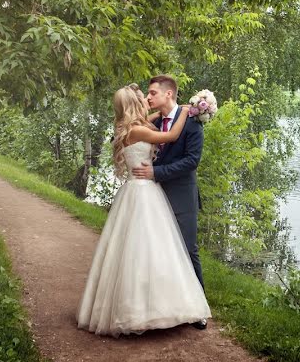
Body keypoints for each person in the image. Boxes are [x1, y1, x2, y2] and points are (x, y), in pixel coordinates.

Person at [76, 86, 210, 337]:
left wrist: (174, 109)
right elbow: (170, 137)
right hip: (143, 191)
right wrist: (185, 111)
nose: (146, 99)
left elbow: (155, 119)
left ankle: (159, 304)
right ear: (132, 104)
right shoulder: (136, 130)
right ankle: (140, 311)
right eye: (141, 98)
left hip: (140, 190)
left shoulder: (131, 126)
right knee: (143, 249)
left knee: (151, 249)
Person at [132, 75, 207, 330]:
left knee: (187, 249)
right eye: (147, 93)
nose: (149, 97)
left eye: (153, 92)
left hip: (181, 195)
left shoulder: (192, 122)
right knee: (157, 252)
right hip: (151, 195)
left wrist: (156, 173)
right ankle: (163, 308)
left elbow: (191, 161)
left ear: (169, 94)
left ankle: (198, 310)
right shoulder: (150, 122)